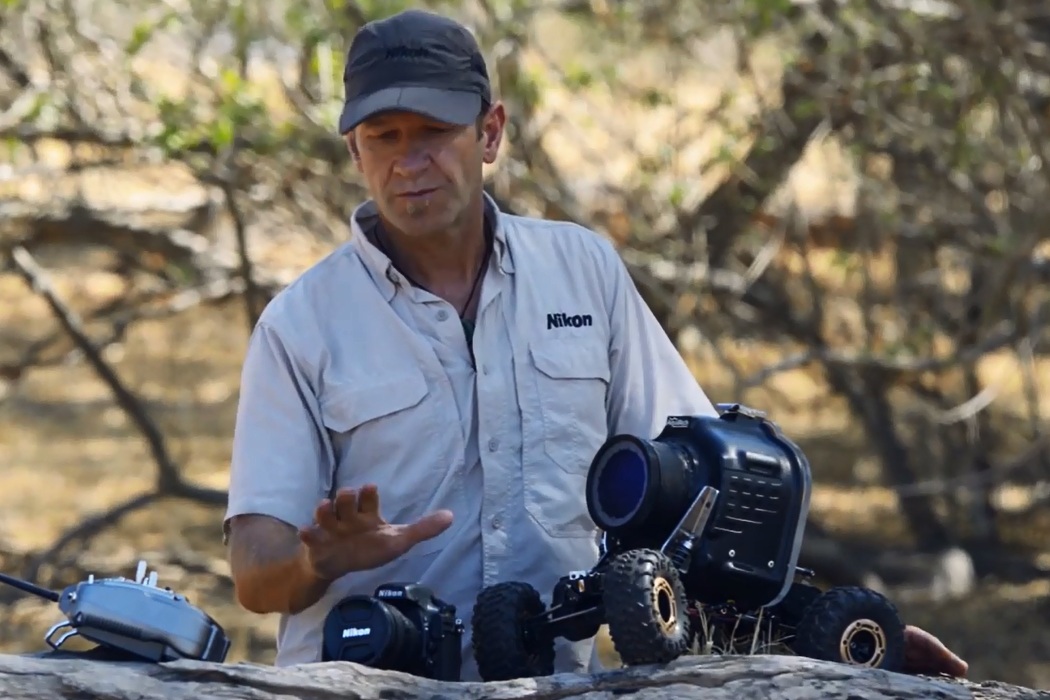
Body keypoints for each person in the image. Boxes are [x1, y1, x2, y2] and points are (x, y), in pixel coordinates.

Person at [222, 8, 968, 683]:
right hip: (370, 685)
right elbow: (256, 575)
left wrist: (832, 634)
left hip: (556, 683)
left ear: (490, 132)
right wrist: (317, 560)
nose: (409, 162)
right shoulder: (300, 327)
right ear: (355, 151)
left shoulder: (582, 273)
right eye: (384, 138)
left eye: (434, 133)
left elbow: (702, 496)